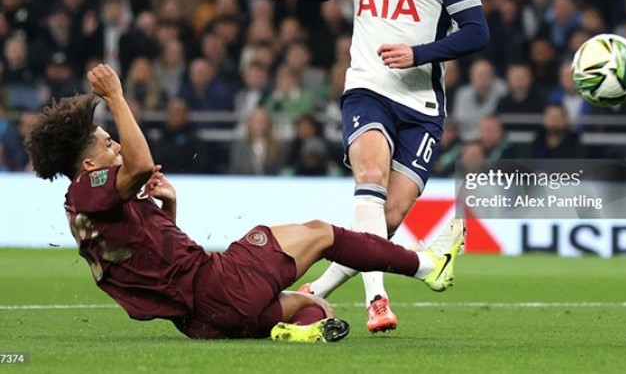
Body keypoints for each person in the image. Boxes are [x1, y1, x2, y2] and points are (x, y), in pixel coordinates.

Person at [24, 64, 465, 342]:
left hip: (201, 321)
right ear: (87, 162)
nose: (115, 145)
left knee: (319, 310)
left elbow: (151, 258)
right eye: (106, 144)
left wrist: (169, 210)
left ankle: (288, 332)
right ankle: (427, 265)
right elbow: (140, 165)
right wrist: (116, 98)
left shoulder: (86, 209)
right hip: (217, 287)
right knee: (321, 233)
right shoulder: (90, 188)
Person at [263, 0, 488, 333]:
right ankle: (378, 301)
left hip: (422, 107)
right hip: (367, 89)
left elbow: (477, 33)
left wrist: (419, 53)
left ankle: (314, 292)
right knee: (369, 177)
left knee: (385, 219)